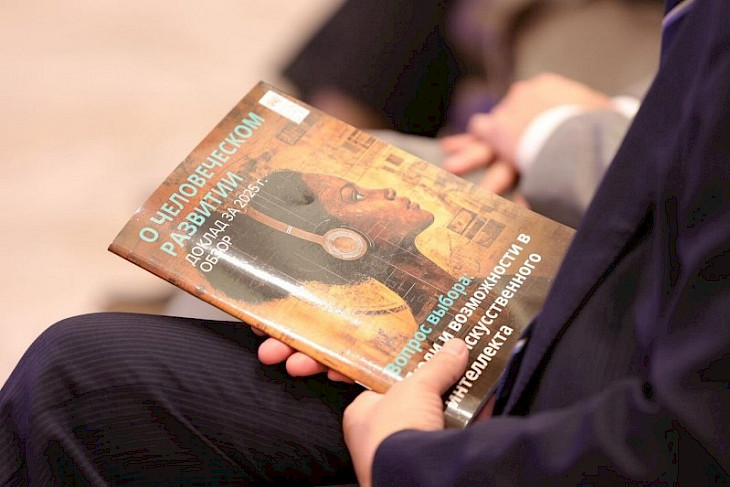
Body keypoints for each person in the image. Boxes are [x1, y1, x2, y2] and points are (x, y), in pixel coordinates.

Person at [1, 2, 728, 486]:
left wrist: (405, 459)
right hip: (593, 335)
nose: (384, 187)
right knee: (101, 363)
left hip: (578, 407)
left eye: (350, 188)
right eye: (355, 193)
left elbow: (690, 440)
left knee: (82, 379)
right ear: (342, 245)